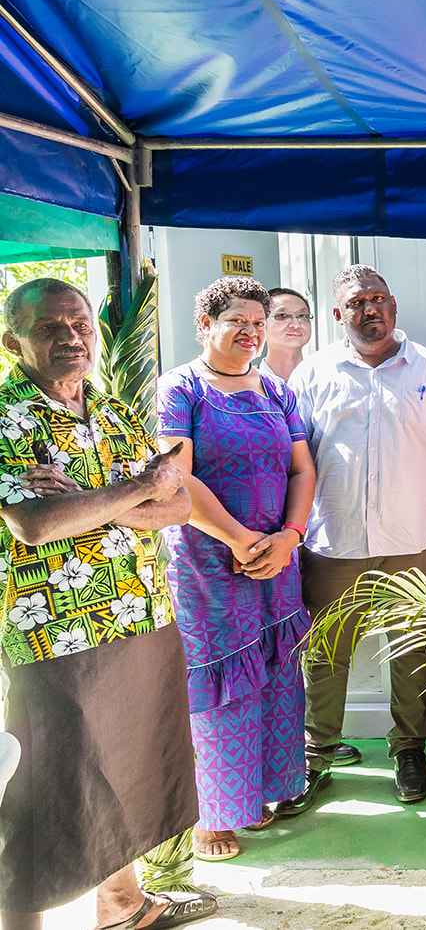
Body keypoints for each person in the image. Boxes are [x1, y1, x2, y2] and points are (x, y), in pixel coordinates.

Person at [0, 278, 215, 930]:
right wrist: (135, 490)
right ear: (13, 341)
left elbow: (176, 503)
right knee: (45, 787)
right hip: (57, 635)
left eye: (80, 323)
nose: (71, 336)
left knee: (124, 766)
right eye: (50, 327)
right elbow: (32, 525)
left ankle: (122, 906)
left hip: (142, 614)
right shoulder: (9, 416)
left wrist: (93, 500)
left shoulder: (113, 406)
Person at [285, 264, 426, 812]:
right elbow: (293, 460)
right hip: (332, 539)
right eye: (357, 303)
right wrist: (292, 531)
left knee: (413, 653)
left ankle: (409, 748)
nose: (370, 311)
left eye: (378, 299)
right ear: (339, 314)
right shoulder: (312, 374)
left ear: (393, 305)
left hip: (411, 539)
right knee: (324, 653)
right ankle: (315, 752)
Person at [156, 277, 316, 861]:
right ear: (206, 325)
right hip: (210, 565)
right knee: (220, 685)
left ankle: (264, 794)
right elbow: (178, 476)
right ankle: (213, 815)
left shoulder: (275, 387)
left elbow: (303, 469)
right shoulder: (182, 388)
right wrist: (242, 539)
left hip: (276, 559)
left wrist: (289, 538)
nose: (250, 332)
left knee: (276, 672)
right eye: (236, 322)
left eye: (258, 321)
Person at [259, 286, 313, 387]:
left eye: (302, 316)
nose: (296, 325)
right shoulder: (247, 386)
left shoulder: (327, 379)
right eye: (282, 316)